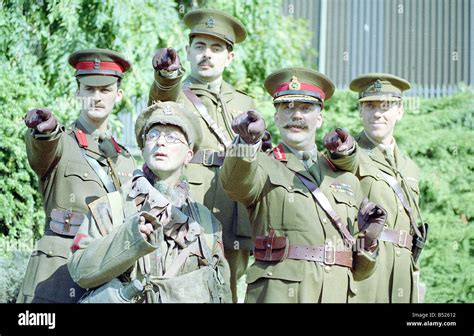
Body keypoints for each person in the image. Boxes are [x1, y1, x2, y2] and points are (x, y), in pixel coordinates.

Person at [220, 67, 387, 303]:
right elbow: (234, 186)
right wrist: (246, 143)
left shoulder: (345, 178)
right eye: (287, 108)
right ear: (276, 117)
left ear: (320, 118)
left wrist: (369, 240)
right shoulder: (260, 166)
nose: (296, 115)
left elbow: (359, 270)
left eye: (306, 108)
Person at [67, 101, 231, 303]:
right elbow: (80, 271)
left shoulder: (206, 223)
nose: (161, 142)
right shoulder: (112, 207)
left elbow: (220, 288)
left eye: (172, 137)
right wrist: (130, 237)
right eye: (153, 135)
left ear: (189, 154)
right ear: (144, 150)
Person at [148, 8, 257, 302]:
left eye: (216, 48)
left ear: (229, 57)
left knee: (229, 290)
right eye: (200, 46)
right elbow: (160, 99)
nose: (207, 54)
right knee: (181, 286)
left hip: (234, 213)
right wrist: (166, 76)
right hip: (188, 207)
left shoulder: (245, 103)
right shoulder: (174, 94)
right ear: (188, 50)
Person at [16, 49, 135, 303]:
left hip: (107, 271)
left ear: (119, 94)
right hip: (59, 272)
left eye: (105, 90)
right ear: (77, 93)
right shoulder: (61, 143)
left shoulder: (125, 158)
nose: (96, 97)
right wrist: (43, 131)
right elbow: (43, 147)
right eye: (89, 89)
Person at [323, 73, 428, 303]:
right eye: (370, 106)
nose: (378, 113)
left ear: (400, 111)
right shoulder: (350, 152)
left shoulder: (410, 167)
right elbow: (343, 160)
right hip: (366, 269)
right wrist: (342, 151)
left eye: (386, 106)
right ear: (360, 111)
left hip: (403, 274)